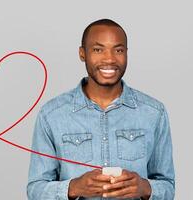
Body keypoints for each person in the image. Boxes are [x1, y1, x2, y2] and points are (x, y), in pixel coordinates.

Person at [27, 19, 175, 199]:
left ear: (127, 54)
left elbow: (167, 186)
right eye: (98, 49)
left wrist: (146, 188)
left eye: (118, 50)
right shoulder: (51, 115)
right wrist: (73, 188)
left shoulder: (154, 113)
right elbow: (35, 190)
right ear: (82, 53)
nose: (109, 59)